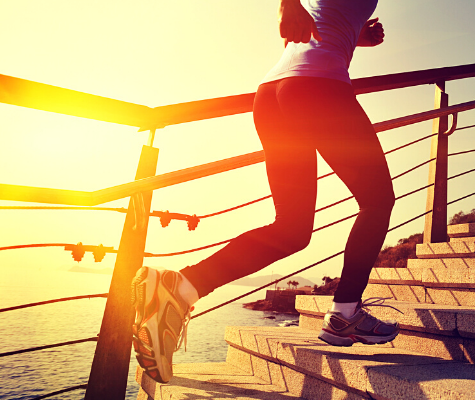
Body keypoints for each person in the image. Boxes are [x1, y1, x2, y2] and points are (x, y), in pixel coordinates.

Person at [131, 0, 398, 384]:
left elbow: (328, 18)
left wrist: (358, 36)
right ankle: (345, 315)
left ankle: (184, 286)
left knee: (292, 229)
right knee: (377, 201)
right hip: (319, 89)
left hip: (273, 95)